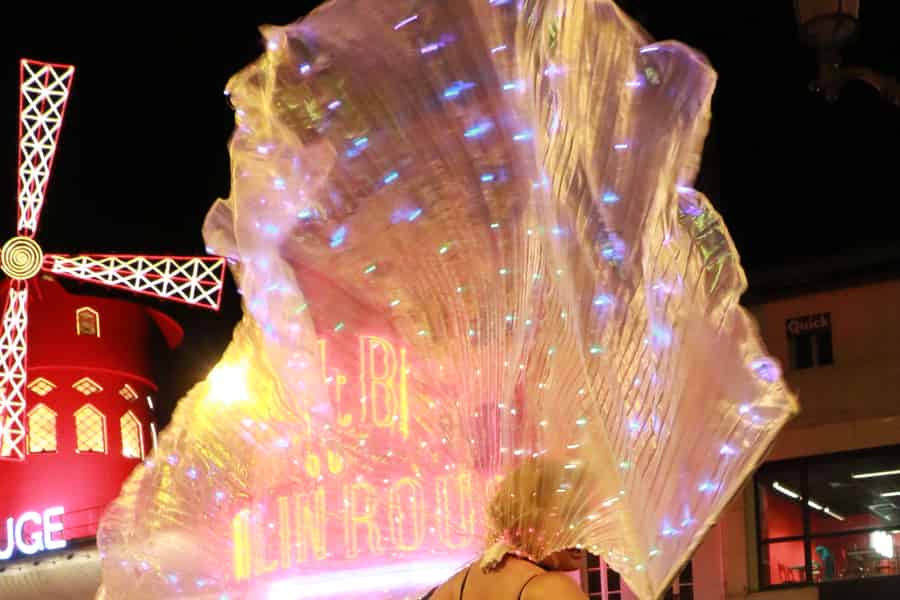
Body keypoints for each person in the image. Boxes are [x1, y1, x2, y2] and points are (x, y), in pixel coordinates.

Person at [423, 458, 589, 599]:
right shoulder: (553, 589)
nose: (582, 529)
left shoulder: (450, 589)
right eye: (569, 515)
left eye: (585, 516)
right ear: (528, 517)